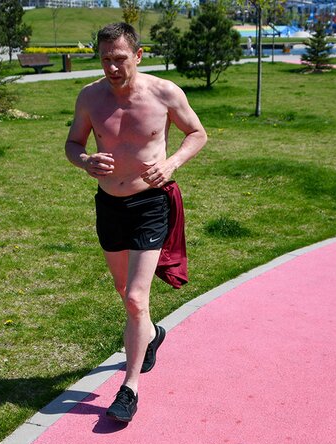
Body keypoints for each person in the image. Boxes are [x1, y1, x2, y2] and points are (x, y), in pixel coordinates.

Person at [65, 22, 207, 423]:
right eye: (105, 59)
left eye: (120, 59)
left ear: (138, 56)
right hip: (109, 205)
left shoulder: (165, 93)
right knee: (123, 289)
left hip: (150, 204)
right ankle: (153, 333)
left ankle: (129, 389)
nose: (112, 67)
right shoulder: (90, 97)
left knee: (135, 297)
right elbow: (73, 144)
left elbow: (197, 133)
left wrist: (172, 162)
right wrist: (85, 160)